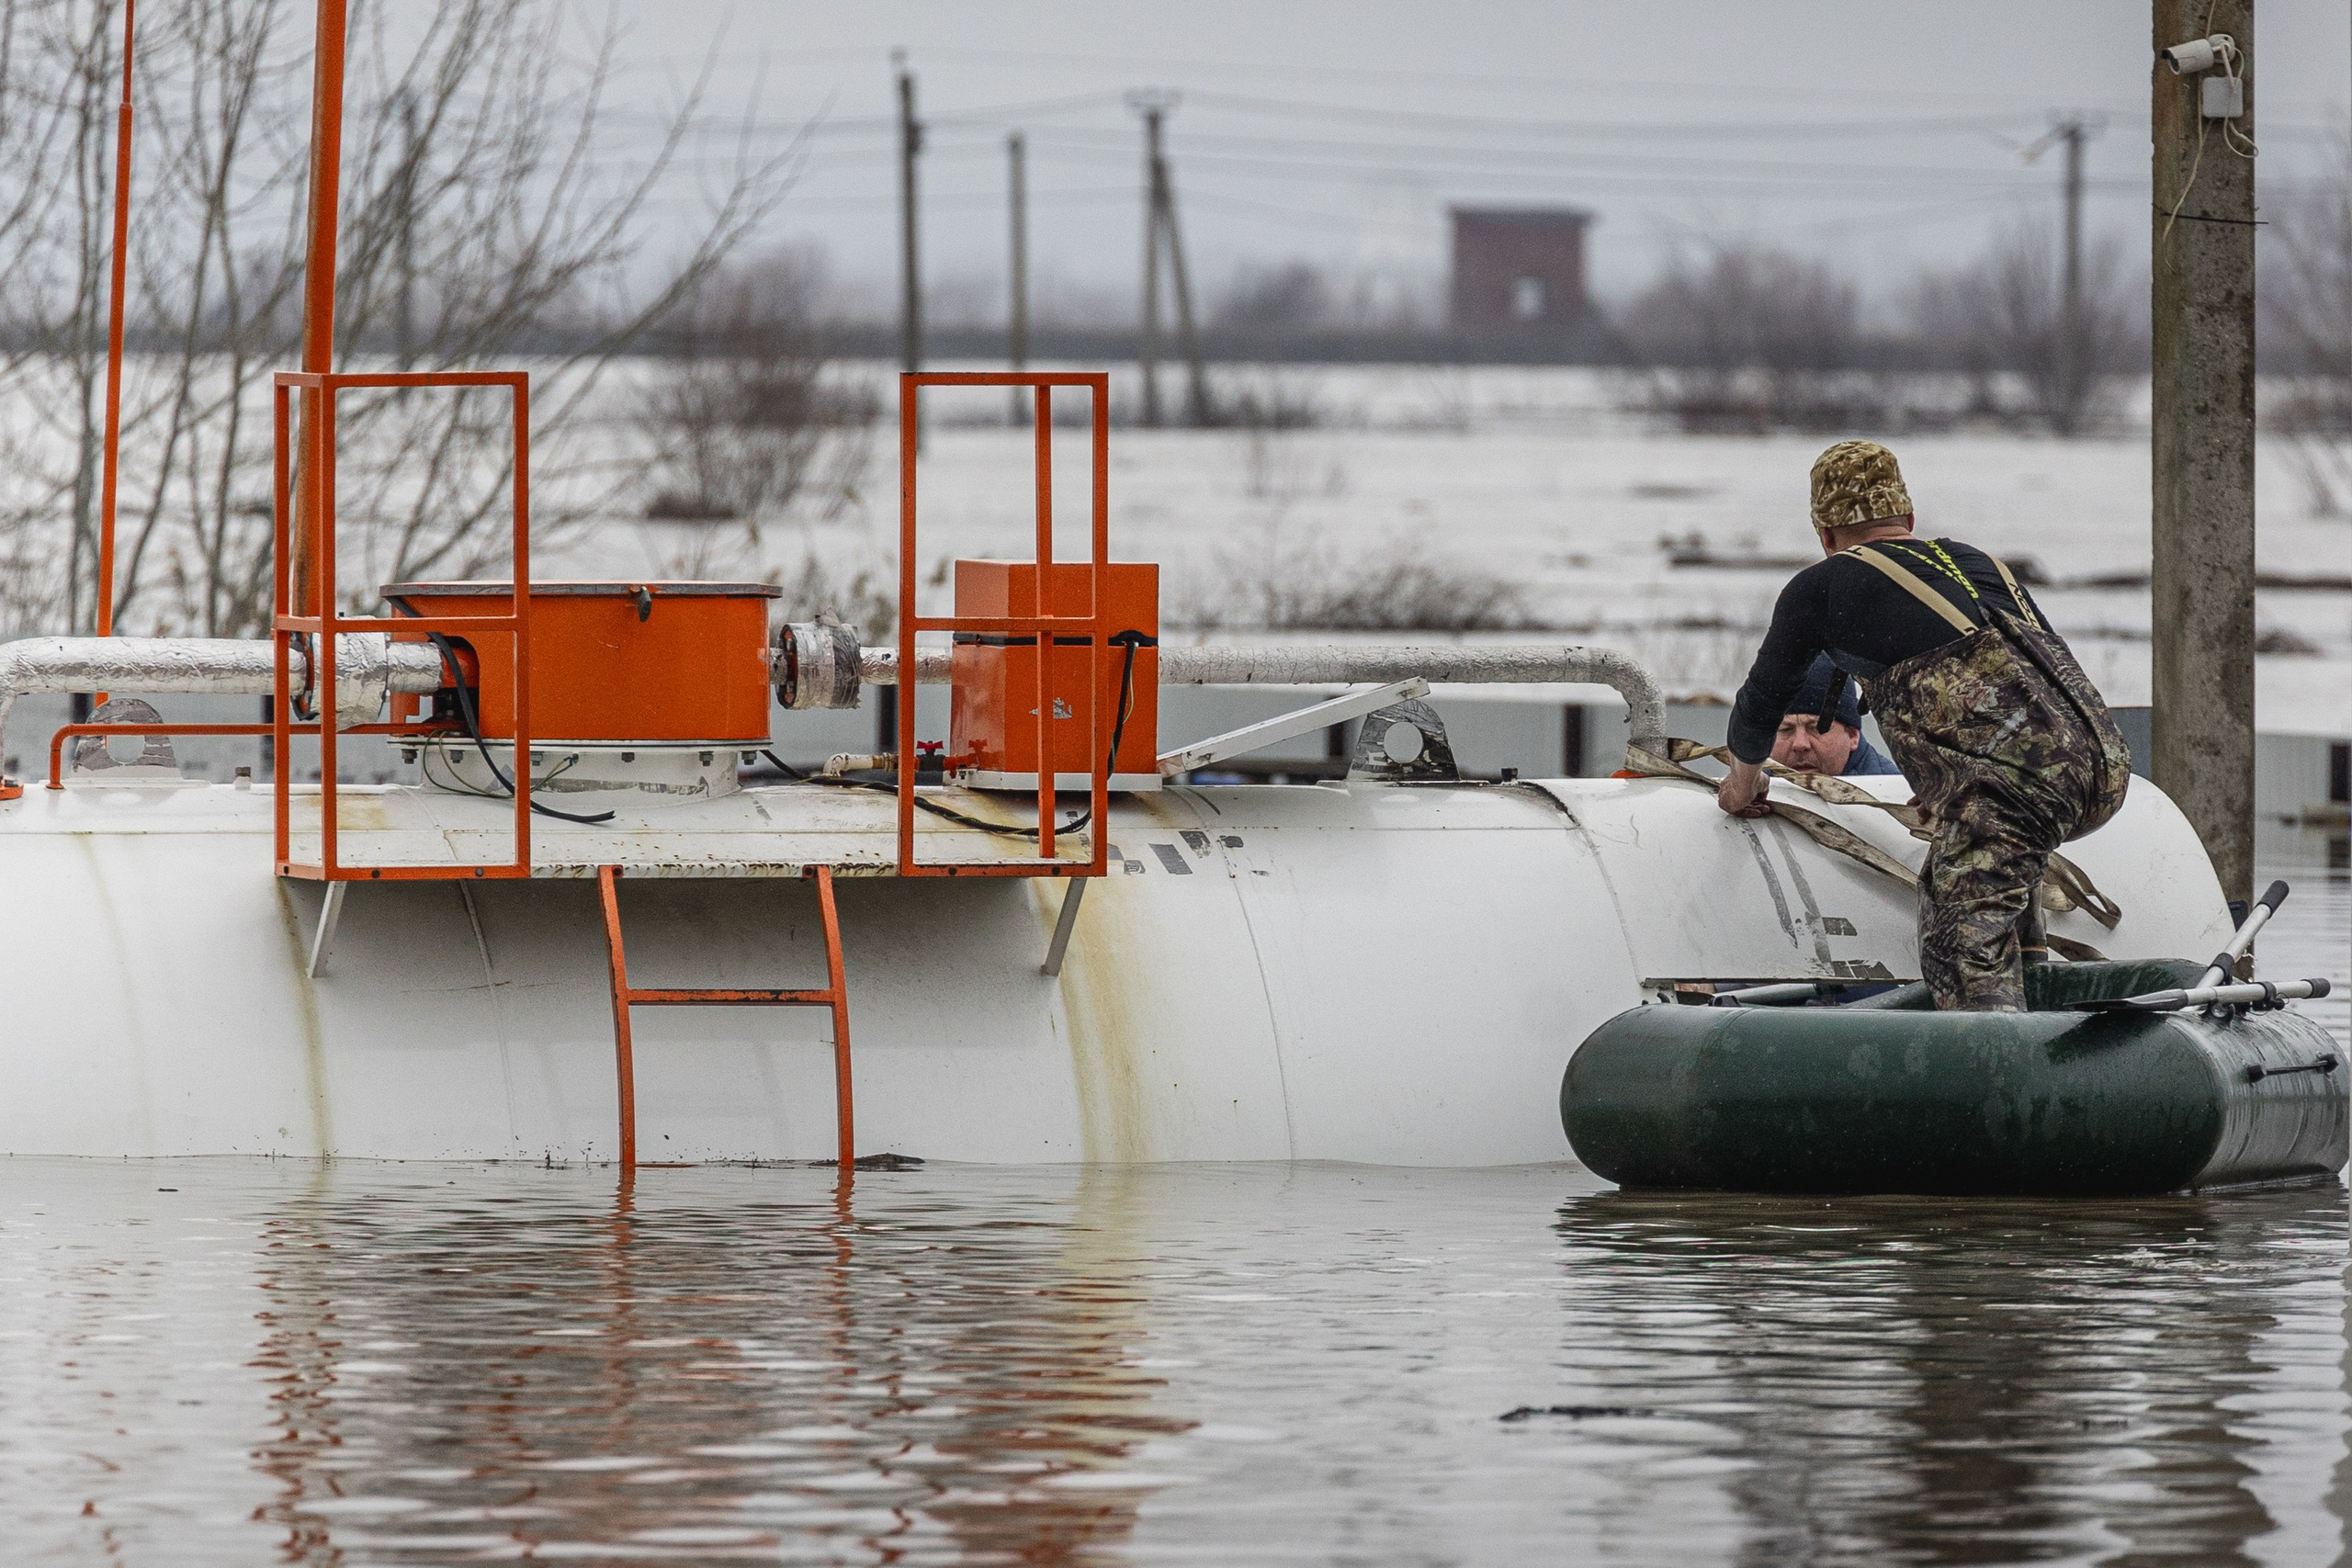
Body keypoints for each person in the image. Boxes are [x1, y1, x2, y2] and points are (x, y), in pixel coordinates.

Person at [1716, 440, 2132, 1011]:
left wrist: (1742, 785)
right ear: (1908, 519)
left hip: (2013, 790)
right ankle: (2039, 991)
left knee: (1955, 951)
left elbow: (1759, 706)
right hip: (2104, 766)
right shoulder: (1977, 562)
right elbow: (2022, 683)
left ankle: (2001, 1075)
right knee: (1974, 875)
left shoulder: (1821, 588)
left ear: (1825, 538)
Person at [1771, 653, 1902, 777]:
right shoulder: (1754, 788)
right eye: (1785, 730)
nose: (1800, 744)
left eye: (1817, 728)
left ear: (1852, 736)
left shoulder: (1895, 793)